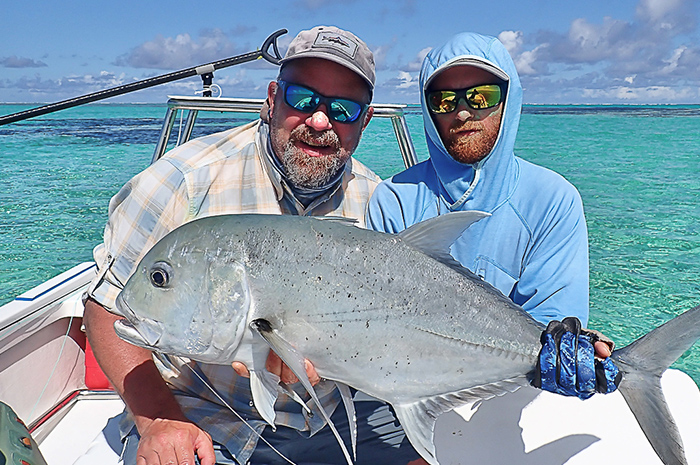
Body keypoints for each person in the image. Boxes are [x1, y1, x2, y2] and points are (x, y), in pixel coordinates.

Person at [81, 26, 425, 465]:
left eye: (343, 108)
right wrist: (157, 420)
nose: (320, 121)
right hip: (203, 417)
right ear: (271, 98)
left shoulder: (378, 202)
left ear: (365, 121)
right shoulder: (182, 183)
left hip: (337, 413)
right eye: (303, 98)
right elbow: (108, 308)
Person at [366, 32, 620, 398]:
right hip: (411, 393)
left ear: (509, 99)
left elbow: (553, 321)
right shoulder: (393, 200)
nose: (463, 112)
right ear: (428, 110)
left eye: (482, 96)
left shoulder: (553, 199)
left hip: (514, 397)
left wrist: (568, 348)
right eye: (444, 100)